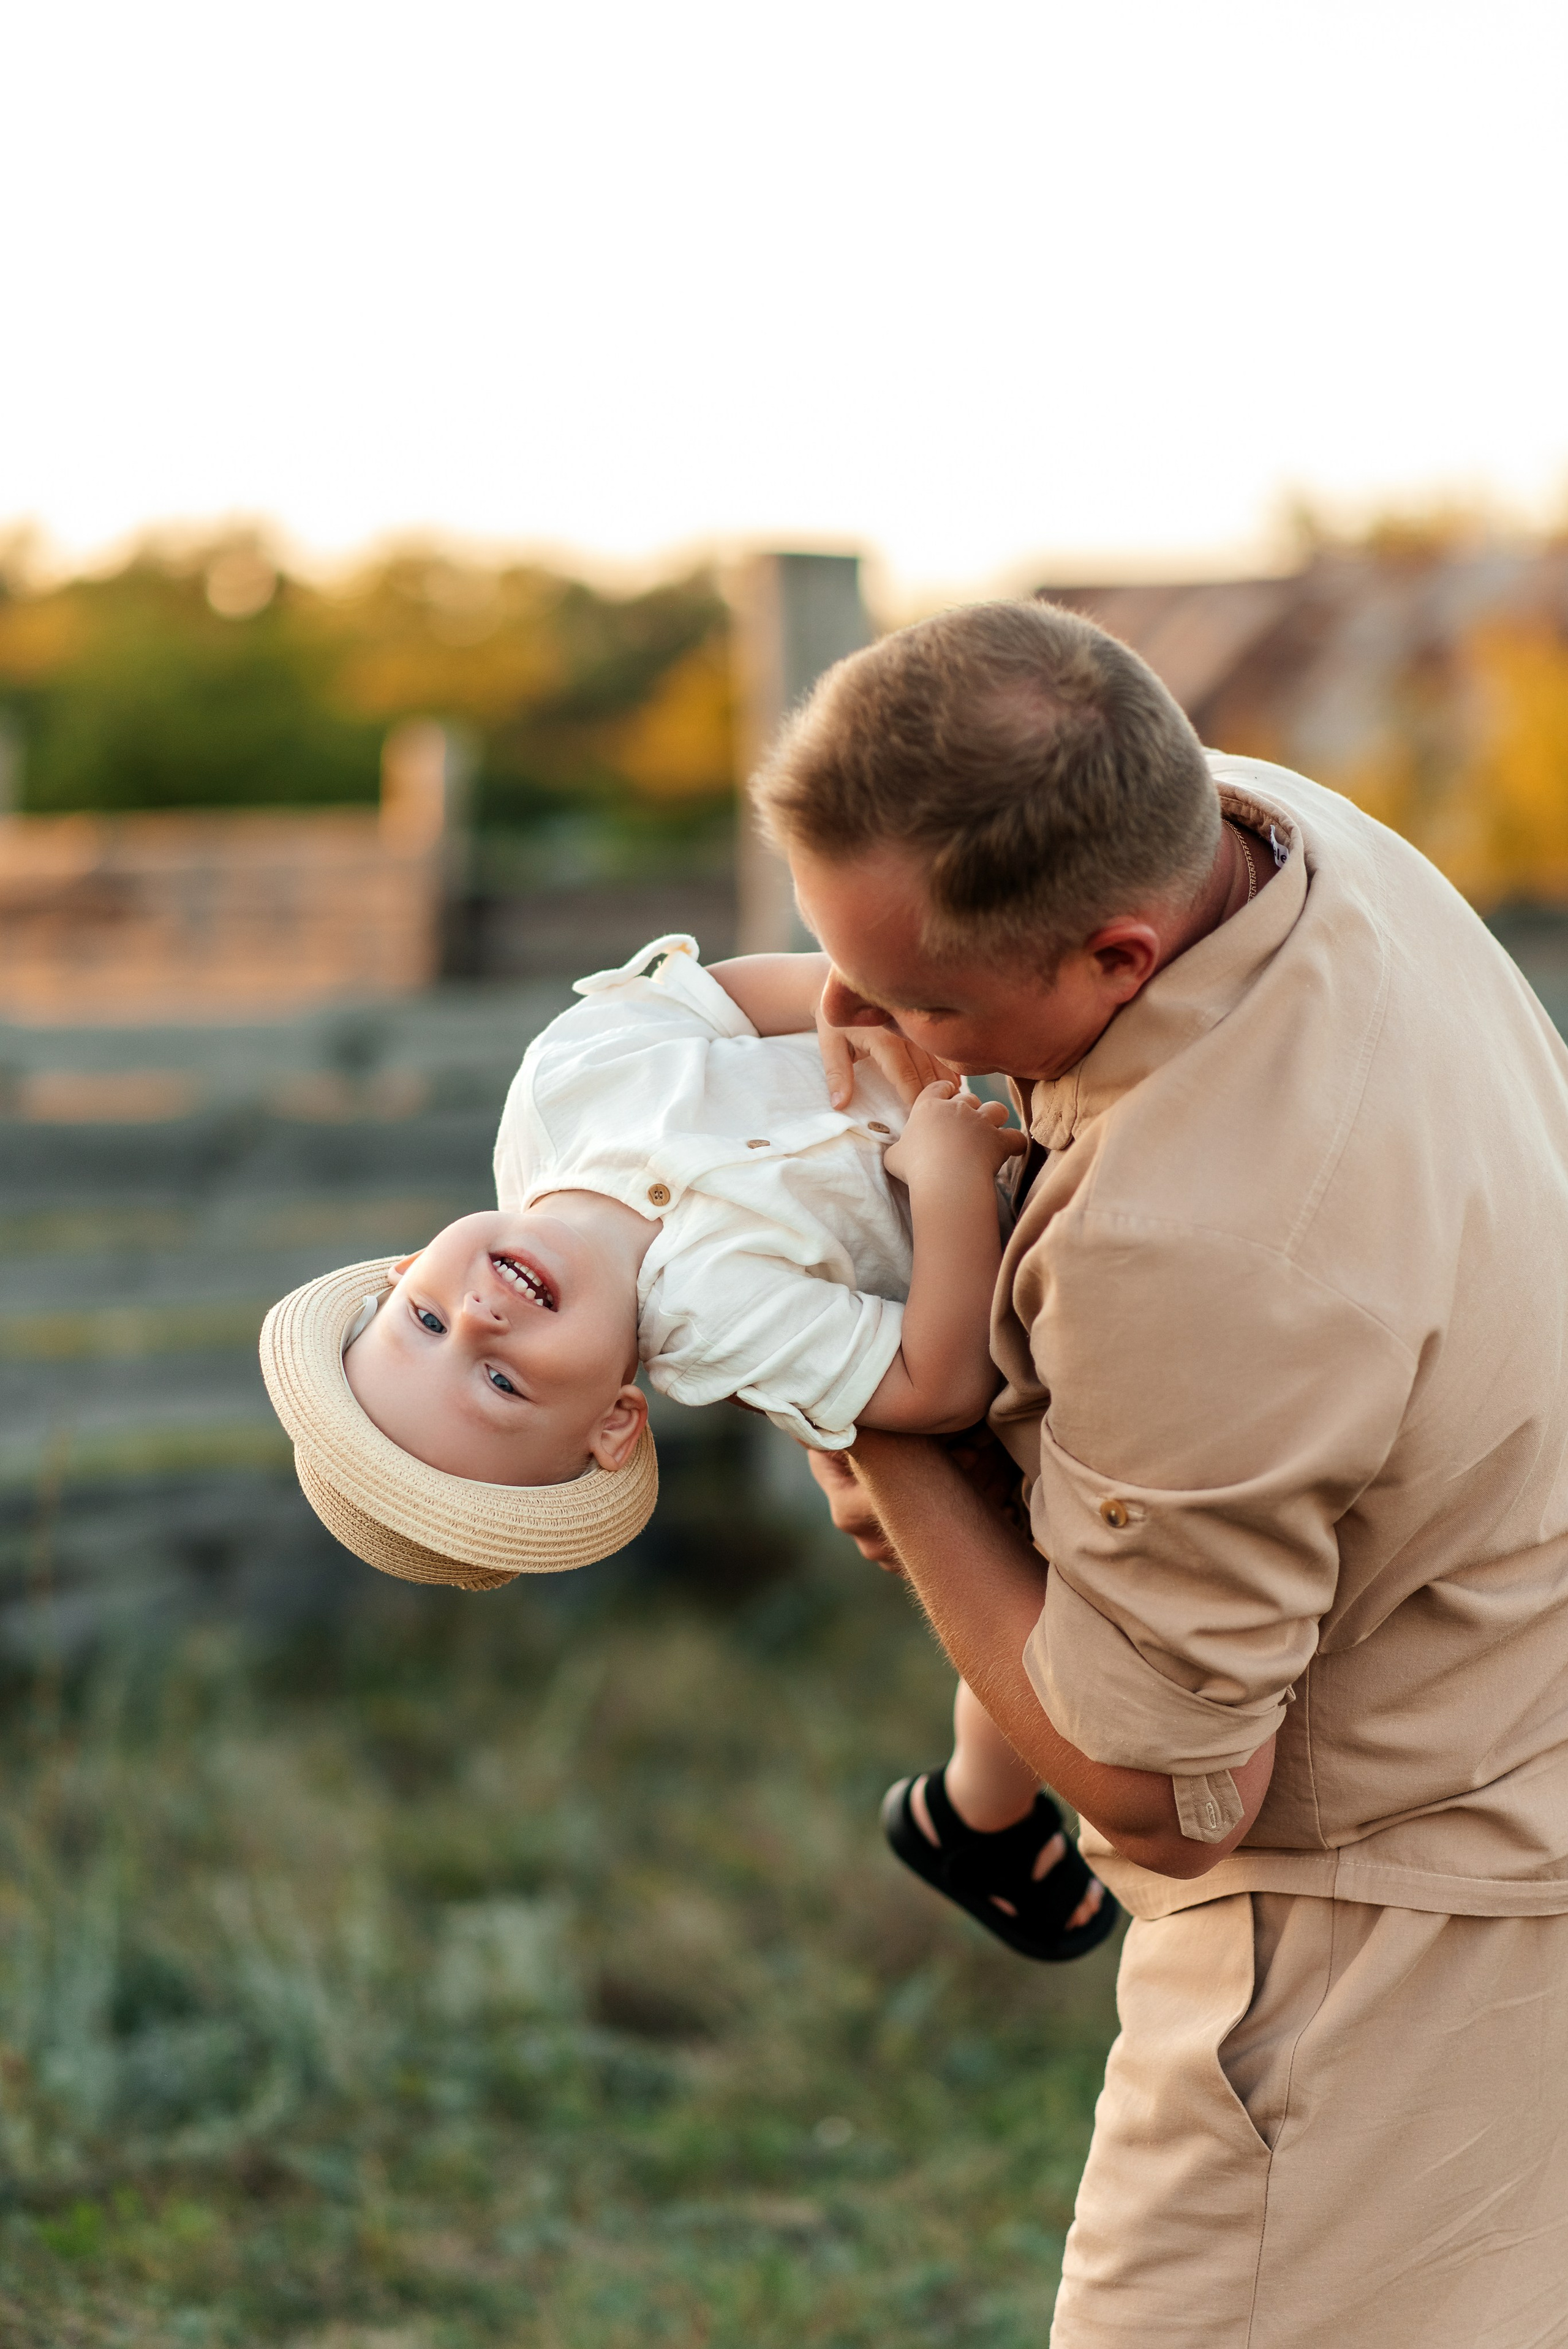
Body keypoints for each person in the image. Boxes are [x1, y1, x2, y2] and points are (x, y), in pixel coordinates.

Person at [752, 597, 1568, 2348]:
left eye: (922, 998)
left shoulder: (1203, 1247)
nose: (864, 1020)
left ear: (1116, 957)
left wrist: (870, 1409)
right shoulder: (1266, 819)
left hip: (1394, 1924)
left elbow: (1165, 1781)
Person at [258, 932, 1113, 1962]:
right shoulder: (716, 1324)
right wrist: (947, 1182)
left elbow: (710, 1003)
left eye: (428, 1323)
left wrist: (843, 993)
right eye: (501, 1382)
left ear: (402, 1270)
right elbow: (938, 1387)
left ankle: (972, 1810)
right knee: (1036, 1583)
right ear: (617, 1420)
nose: (481, 1320)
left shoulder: (559, 1092)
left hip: (952, 1030)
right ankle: (979, 1808)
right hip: (1022, 1316)